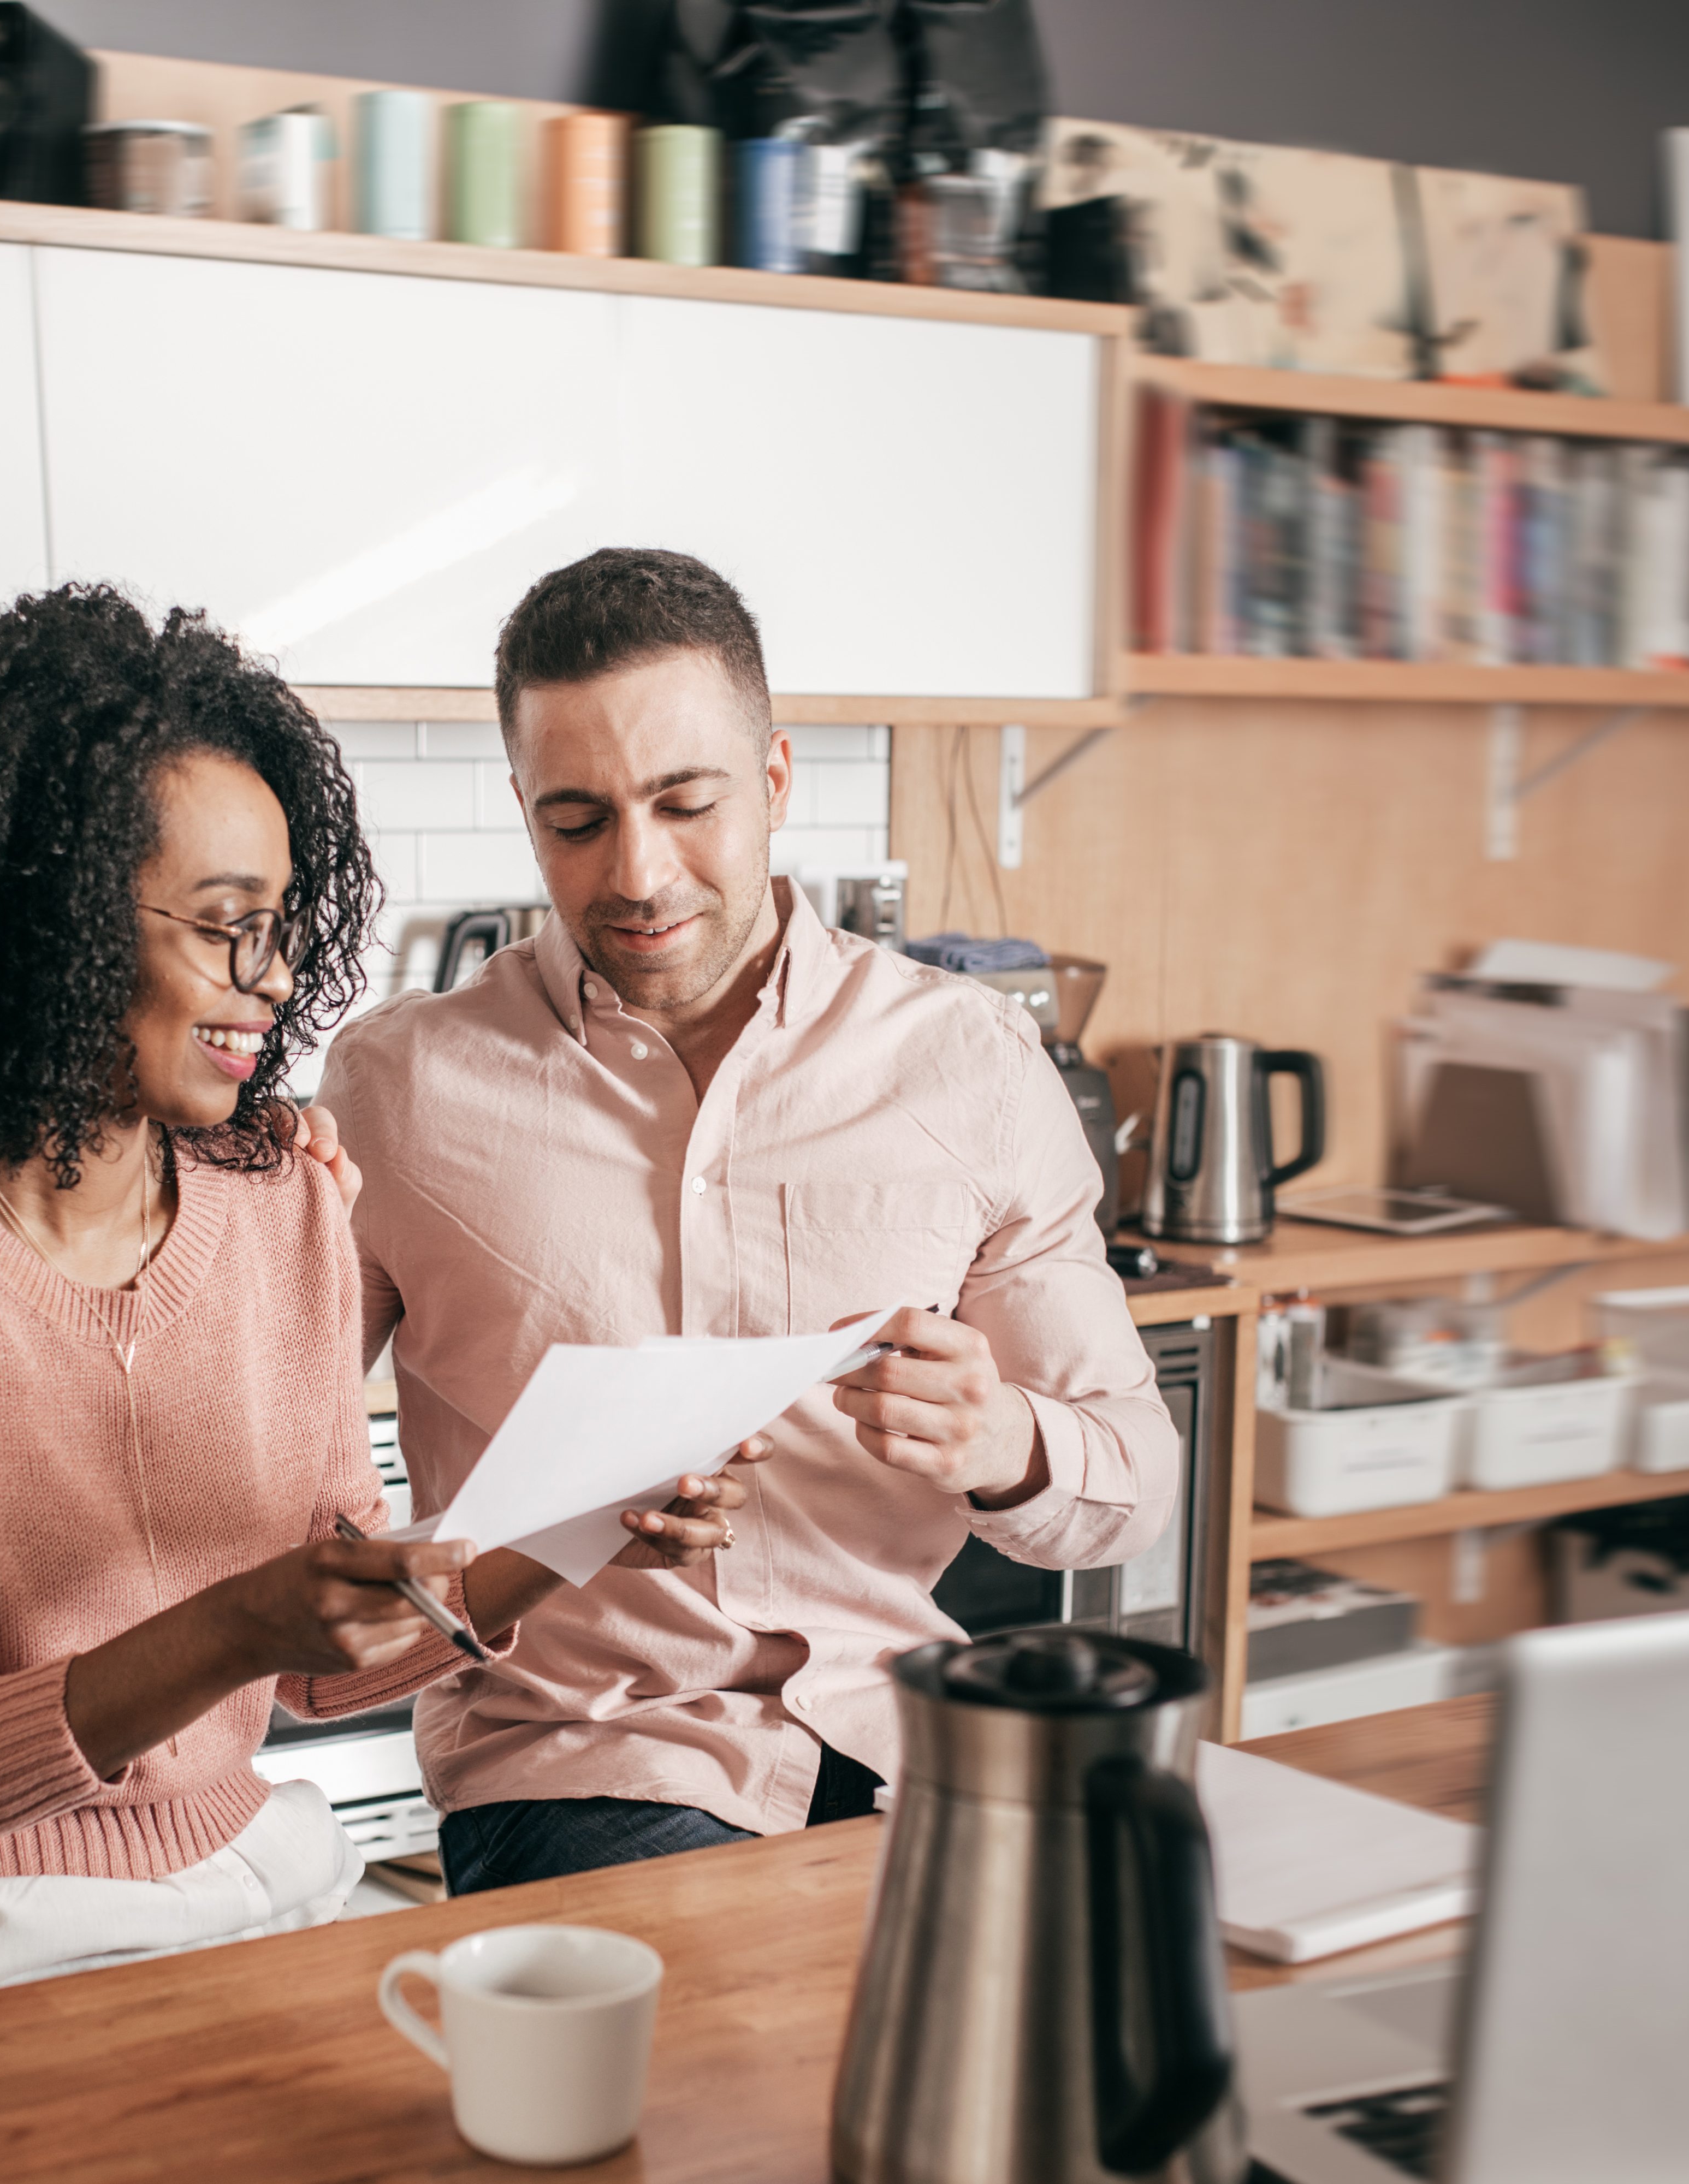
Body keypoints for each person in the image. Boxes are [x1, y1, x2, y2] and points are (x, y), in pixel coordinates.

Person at [0, 585, 752, 2028]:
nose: (278, 980)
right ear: (37, 921)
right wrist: (237, 1630)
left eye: (286, 925)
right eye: (227, 926)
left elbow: (320, 1657)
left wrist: (579, 1535)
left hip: (230, 1885)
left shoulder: (286, 1204)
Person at [323, 549, 1180, 1896]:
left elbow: (1138, 1475)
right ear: (523, 813)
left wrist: (1005, 1440)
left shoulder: (967, 1062)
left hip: (906, 1731)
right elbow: (279, 1489)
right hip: (591, 1751)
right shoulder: (401, 1087)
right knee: (721, 2076)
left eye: (685, 802)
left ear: (776, 780)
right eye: (577, 819)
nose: (639, 872)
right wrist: (536, 1537)